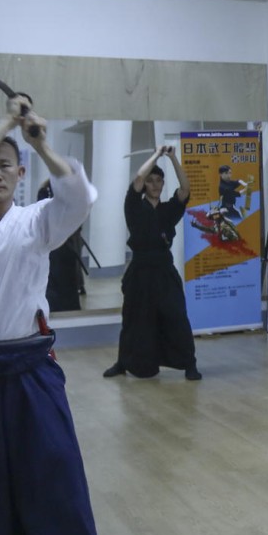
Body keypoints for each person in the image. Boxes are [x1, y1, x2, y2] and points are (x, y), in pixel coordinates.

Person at [0, 95, 105, 535]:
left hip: (31, 365)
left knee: (53, 466)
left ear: (20, 173)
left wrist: (38, 141)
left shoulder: (38, 221)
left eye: (4, 166)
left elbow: (78, 195)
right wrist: (7, 120)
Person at [103, 145, 202, 380]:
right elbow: (137, 179)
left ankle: (189, 363)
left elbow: (185, 189)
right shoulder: (134, 207)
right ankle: (123, 362)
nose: (155, 185)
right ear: (145, 185)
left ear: (163, 184)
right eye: (151, 181)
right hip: (139, 271)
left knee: (177, 316)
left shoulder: (169, 210)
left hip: (164, 271)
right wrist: (157, 155)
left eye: (159, 181)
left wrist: (173, 158)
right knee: (133, 319)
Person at [37, 180, 85, 312]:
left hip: (62, 249)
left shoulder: (51, 205)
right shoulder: (48, 192)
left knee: (62, 283)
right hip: (61, 248)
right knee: (62, 283)